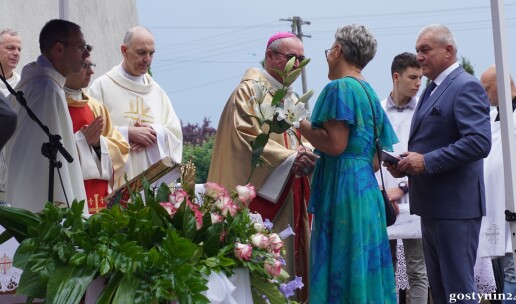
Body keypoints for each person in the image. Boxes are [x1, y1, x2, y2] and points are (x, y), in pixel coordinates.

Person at [207, 32, 317, 302]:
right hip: (264, 198)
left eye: (302, 60)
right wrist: (291, 158)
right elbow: (245, 138)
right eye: (292, 58)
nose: (298, 65)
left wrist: (309, 152)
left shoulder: (288, 97)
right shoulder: (250, 91)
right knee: (267, 270)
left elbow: (301, 136)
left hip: (291, 192)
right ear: (270, 56)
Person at [386, 24, 491, 303]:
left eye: (425, 49)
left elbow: (479, 142)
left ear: (449, 50)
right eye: (418, 50)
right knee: (442, 291)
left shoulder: (465, 85)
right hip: (431, 207)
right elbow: (430, 141)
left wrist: (426, 162)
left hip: (456, 208)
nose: (419, 56)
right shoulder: (432, 89)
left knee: (458, 290)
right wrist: (406, 164)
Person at [296, 24, 398, 303]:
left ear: (338, 50)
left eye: (330, 50)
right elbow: (376, 159)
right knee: (363, 268)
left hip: (344, 194)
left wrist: (294, 120)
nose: (328, 56)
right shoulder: (368, 92)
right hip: (366, 191)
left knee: (342, 264)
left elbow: (335, 144)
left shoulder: (339, 88)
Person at [5, 19, 90, 212]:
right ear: (59, 49)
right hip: (40, 209)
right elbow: (38, 168)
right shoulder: (46, 90)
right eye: (80, 47)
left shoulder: (36, 84)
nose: (85, 55)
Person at [89, 26, 183, 182]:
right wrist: (127, 134)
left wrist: (154, 133)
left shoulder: (157, 92)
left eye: (151, 53)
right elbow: (89, 135)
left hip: (153, 185)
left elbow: (175, 133)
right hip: (116, 185)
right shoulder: (101, 88)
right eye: (141, 53)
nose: (147, 59)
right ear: (124, 51)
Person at [480, 65, 516, 303]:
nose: (485, 95)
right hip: (499, 207)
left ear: (503, 85)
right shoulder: (496, 115)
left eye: (488, 89)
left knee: (515, 270)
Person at [379, 52, 428, 303]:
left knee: (417, 269)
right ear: (396, 77)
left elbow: (427, 155)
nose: (418, 83)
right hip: (381, 198)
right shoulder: (377, 109)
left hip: (414, 196)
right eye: (413, 77)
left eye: (420, 77)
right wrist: (380, 189)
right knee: (384, 268)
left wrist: (401, 186)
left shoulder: (424, 111)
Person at [64, 55, 129, 214]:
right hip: (68, 197)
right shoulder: (54, 105)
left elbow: (121, 150)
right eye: (84, 66)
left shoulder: (96, 107)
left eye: (92, 65)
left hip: (100, 200)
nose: (91, 71)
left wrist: (98, 144)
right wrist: (81, 142)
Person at [0, 29, 22, 202]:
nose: (16, 53)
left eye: (19, 49)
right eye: (10, 48)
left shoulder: (24, 86)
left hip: (15, 170)